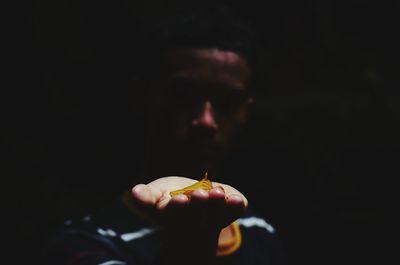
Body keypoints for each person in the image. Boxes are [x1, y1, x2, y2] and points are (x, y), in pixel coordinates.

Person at [42, 2, 287, 265]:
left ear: (246, 111)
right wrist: (188, 247)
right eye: (183, 95)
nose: (206, 121)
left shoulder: (258, 233)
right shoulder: (87, 243)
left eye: (228, 102)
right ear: (143, 95)